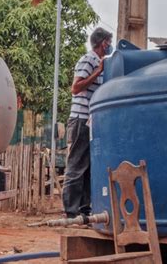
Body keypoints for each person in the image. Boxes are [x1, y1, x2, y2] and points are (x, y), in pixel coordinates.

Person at [62, 27, 113, 218]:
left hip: (90, 122)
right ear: (103, 43)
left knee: (88, 167)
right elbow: (75, 88)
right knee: (76, 166)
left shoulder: (99, 62)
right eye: (108, 42)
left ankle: (84, 208)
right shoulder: (89, 60)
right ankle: (70, 211)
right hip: (80, 119)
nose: (110, 46)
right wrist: (97, 72)